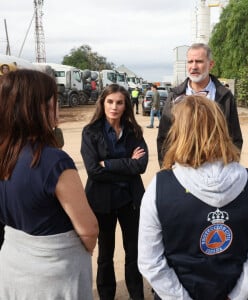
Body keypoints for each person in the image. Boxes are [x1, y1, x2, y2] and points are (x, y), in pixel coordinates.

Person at [138, 95, 248, 300]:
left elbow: (150, 261)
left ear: (178, 133)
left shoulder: (159, 187)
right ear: (222, 129)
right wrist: (236, 295)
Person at [0, 69, 99, 299]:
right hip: (53, 276)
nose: (58, 106)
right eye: (53, 100)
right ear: (37, 107)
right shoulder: (53, 160)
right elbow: (89, 230)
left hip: (13, 265)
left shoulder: (5, 154)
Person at [81, 83, 148, 300]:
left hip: (130, 201)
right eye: (110, 101)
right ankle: (106, 296)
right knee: (105, 254)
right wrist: (127, 164)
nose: (114, 107)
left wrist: (108, 164)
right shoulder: (90, 132)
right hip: (102, 202)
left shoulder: (133, 130)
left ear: (125, 105)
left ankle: (136, 295)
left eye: (119, 102)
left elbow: (142, 165)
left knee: (133, 252)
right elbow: (93, 171)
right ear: (103, 103)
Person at [157, 43, 243, 166]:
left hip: (215, 171)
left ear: (211, 64)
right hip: (181, 170)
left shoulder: (225, 96)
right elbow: (164, 137)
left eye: (199, 61)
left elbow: (235, 138)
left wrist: (229, 168)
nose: (194, 66)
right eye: (190, 62)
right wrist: (167, 168)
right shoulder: (174, 96)